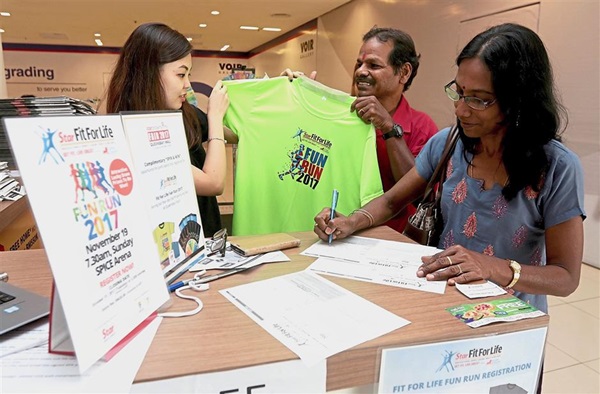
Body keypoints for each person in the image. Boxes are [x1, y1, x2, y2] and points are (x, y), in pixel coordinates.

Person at [314, 23, 585, 316]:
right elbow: (393, 200)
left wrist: (490, 267)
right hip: (441, 304)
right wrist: (351, 222)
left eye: (479, 99)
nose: (460, 110)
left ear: (518, 100)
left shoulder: (558, 167)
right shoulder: (448, 144)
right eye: (458, 92)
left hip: (507, 322)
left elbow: (566, 277)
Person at [284, 27, 438, 233]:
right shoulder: (338, 116)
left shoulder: (422, 126)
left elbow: (419, 194)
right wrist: (294, 98)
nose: (360, 71)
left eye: (373, 65)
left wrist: (389, 129)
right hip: (331, 233)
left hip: (391, 241)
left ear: (404, 72)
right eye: (359, 63)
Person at [105, 22, 230, 237]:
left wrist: (282, 89)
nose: (188, 85)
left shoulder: (183, 113)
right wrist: (216, 117)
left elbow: (238, 133)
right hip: (177, 247)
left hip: (207, 239)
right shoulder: (138, 133)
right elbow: (213, 183)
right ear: (150, 73)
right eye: (181, 75)